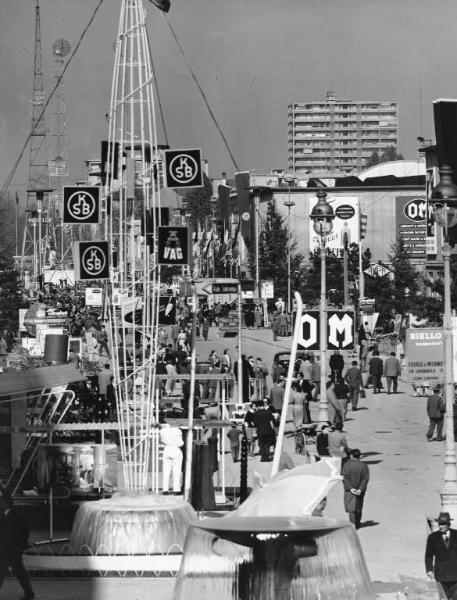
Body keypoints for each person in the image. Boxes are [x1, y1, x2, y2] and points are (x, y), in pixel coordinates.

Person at [0, 494, 35, 600]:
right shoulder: (9, 515)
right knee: (16, 572)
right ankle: (29, 594)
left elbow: (25, 532)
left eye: (1, 502)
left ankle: (29, 594)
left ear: (6, 503)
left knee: (17, 573)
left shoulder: (16, 516)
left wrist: (20, 545)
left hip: (13, 549)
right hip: (6, 549)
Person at [425, 512, 457, 599]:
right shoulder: (432, 537)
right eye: (440, 524)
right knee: (443, 598)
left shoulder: (456, 534)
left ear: (448, 524)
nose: (440, 526)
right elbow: (428, 555)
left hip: (455, 574)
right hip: (441, 575)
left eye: (443, 524)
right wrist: (429, 570)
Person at [341, 448, 370, 529]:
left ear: (351, 456)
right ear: (359, 456)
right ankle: (357, 523)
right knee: (359, 507)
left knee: (351, 509)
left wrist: (350, 488)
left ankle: (353, 525)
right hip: (360, 491)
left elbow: (344, 477)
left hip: (349, 490)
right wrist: (360, 489)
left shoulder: (346, 465)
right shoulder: (364, 466)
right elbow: (365, 478)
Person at [160, 420, 184, 494]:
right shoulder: (177, 430)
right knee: (176, 471)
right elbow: (180, 443)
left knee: (166, 471)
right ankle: (176, 489)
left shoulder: (163, 430)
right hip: (175, 449)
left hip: (167, 449)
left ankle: (165, 489)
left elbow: (162, 441)